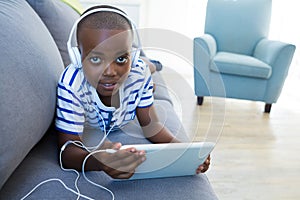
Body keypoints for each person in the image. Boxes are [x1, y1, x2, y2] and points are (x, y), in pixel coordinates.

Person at [55, 5, 210, 179]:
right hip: (132, 73)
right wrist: (98, 161)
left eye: (121, 58)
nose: (110, 72)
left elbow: (152, 127)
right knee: (143, 72)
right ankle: (150, 64)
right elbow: (67, 152)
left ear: (132, 56)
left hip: (139, 69)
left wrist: (185, 151)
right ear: (77, 57)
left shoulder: (138, 73)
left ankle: (153, 65)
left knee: (146, 69)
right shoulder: (71, 85)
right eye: (96, 59)